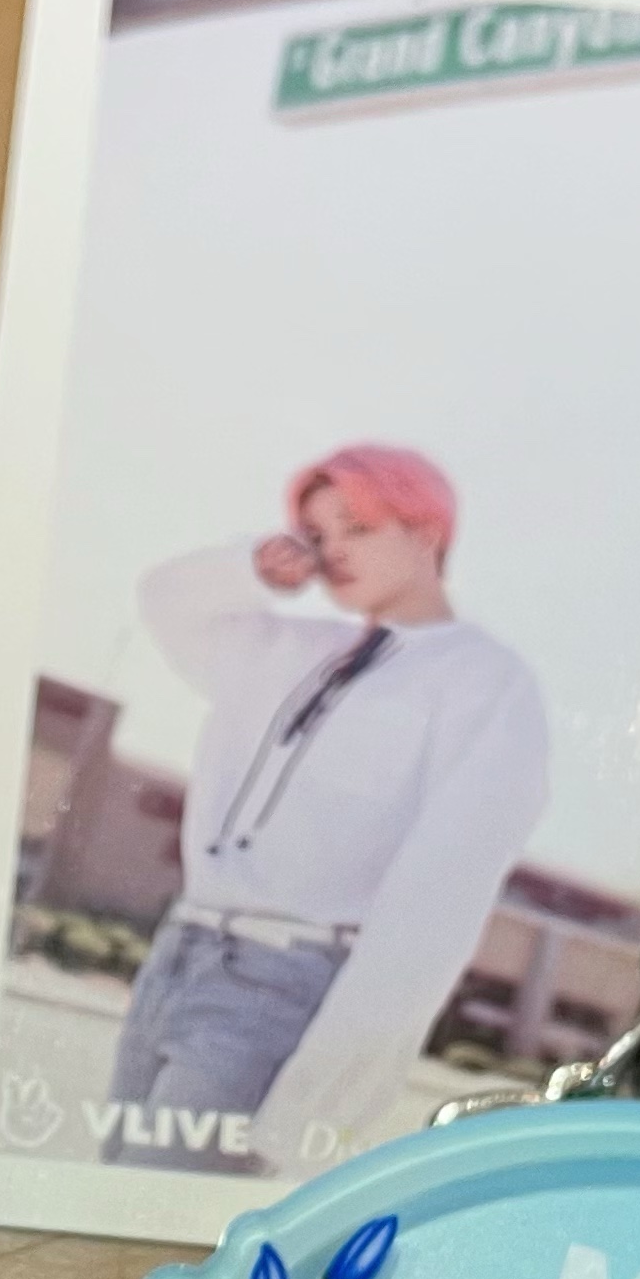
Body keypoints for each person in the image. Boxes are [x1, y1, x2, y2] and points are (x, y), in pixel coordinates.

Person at [103, 443, 549, 1173]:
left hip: (282, 986)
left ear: (427, 533)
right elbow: (163, 598)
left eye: (358, 528)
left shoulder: (485, 682)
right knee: (104, 1194)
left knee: (159, 1202)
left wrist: (322, 1097)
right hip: (176, 956)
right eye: (315, 533)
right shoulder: (286, 647)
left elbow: (439, 898)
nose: (332, 550)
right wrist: (251, 568)